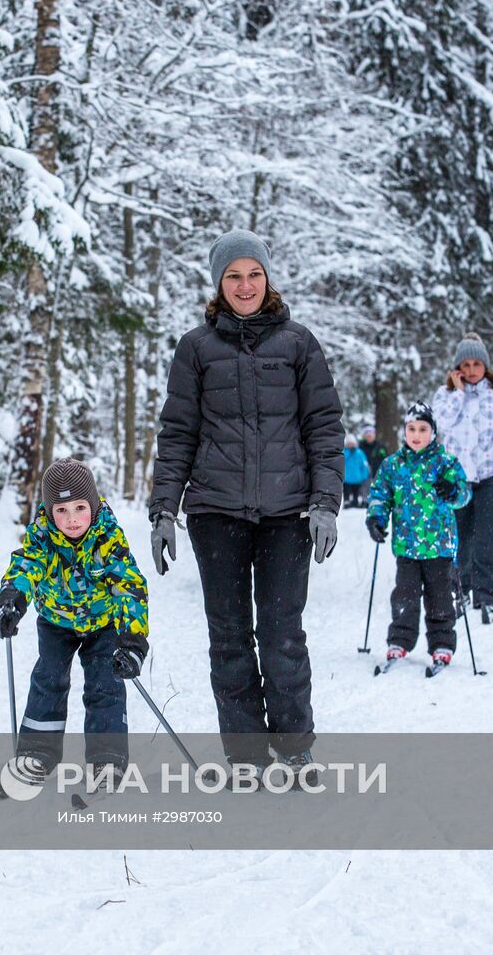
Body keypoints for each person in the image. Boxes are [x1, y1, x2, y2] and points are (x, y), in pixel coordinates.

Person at [148, 229, 343, 779]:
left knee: (283, 631)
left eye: (253, 273)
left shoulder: (299, 343)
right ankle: (246, 753)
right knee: (228, 634)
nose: (245, 284)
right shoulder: (196, 348)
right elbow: (178, 433)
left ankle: (294, 745)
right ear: (218, 283)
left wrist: (325, 501)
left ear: (268, 277)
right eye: (233, 275)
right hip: (215, 512)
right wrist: (164, 509)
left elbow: (324, 427)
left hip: (286, 514)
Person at [0, 459, 149, 782]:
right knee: (48, 680)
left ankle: (108, 758)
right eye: (61, 510)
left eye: (80, 507)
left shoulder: (108, 536)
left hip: (102, 623)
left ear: (92, 504)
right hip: (56, 621)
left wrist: (132, 642)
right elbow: (26, 567)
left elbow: (129, 585)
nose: (72, 519)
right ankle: (37, 753)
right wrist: (12, 600)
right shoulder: (43, 536)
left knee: (105, 685)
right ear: (50, 513)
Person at [430, 333, 493, 624]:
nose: (472, 369)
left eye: (477, 363)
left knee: (487, 539)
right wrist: (458, 392)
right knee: (456, 538)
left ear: (485, 365)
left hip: (491, 475)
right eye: (466, 364)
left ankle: (488, 598)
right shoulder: (445, 395)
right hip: (455, 478)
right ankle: (457, 591)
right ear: (457, 367)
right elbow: (436, 427)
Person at [365, 403, 471, 668]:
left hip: (440, 546)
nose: (416, 434)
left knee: (440, 598)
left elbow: (464, 494)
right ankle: (400, 639)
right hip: (407, 546)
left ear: (433, 433)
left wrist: (453, 491)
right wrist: (376, 518)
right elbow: (380, 494)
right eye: (411, 429)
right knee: (405, 596)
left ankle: (442, 643)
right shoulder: (393, 465)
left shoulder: (446, 463)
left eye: (423, 429)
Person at [358, 424, 389, 505]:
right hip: (364, 470)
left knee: (376, 485)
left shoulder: (380, 446)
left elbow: (385, 458)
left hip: (376, 469)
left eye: (371, 435)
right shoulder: (361, 446)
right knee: (365, 485)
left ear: (374, 435)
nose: (369, 437)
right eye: (367, 435)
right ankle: (364, 500)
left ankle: (375, 499)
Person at [343, 433, 370, 508]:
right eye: (349, 443)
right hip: (346, 479)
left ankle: (355, 502)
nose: (351, 445)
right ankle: (346, 502)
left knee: (356, 492)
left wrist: (364, 475)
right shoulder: (344, 453)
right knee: (346, 492)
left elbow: (364, 465)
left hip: (357, 478)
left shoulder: (359, 453)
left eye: (352, 443)